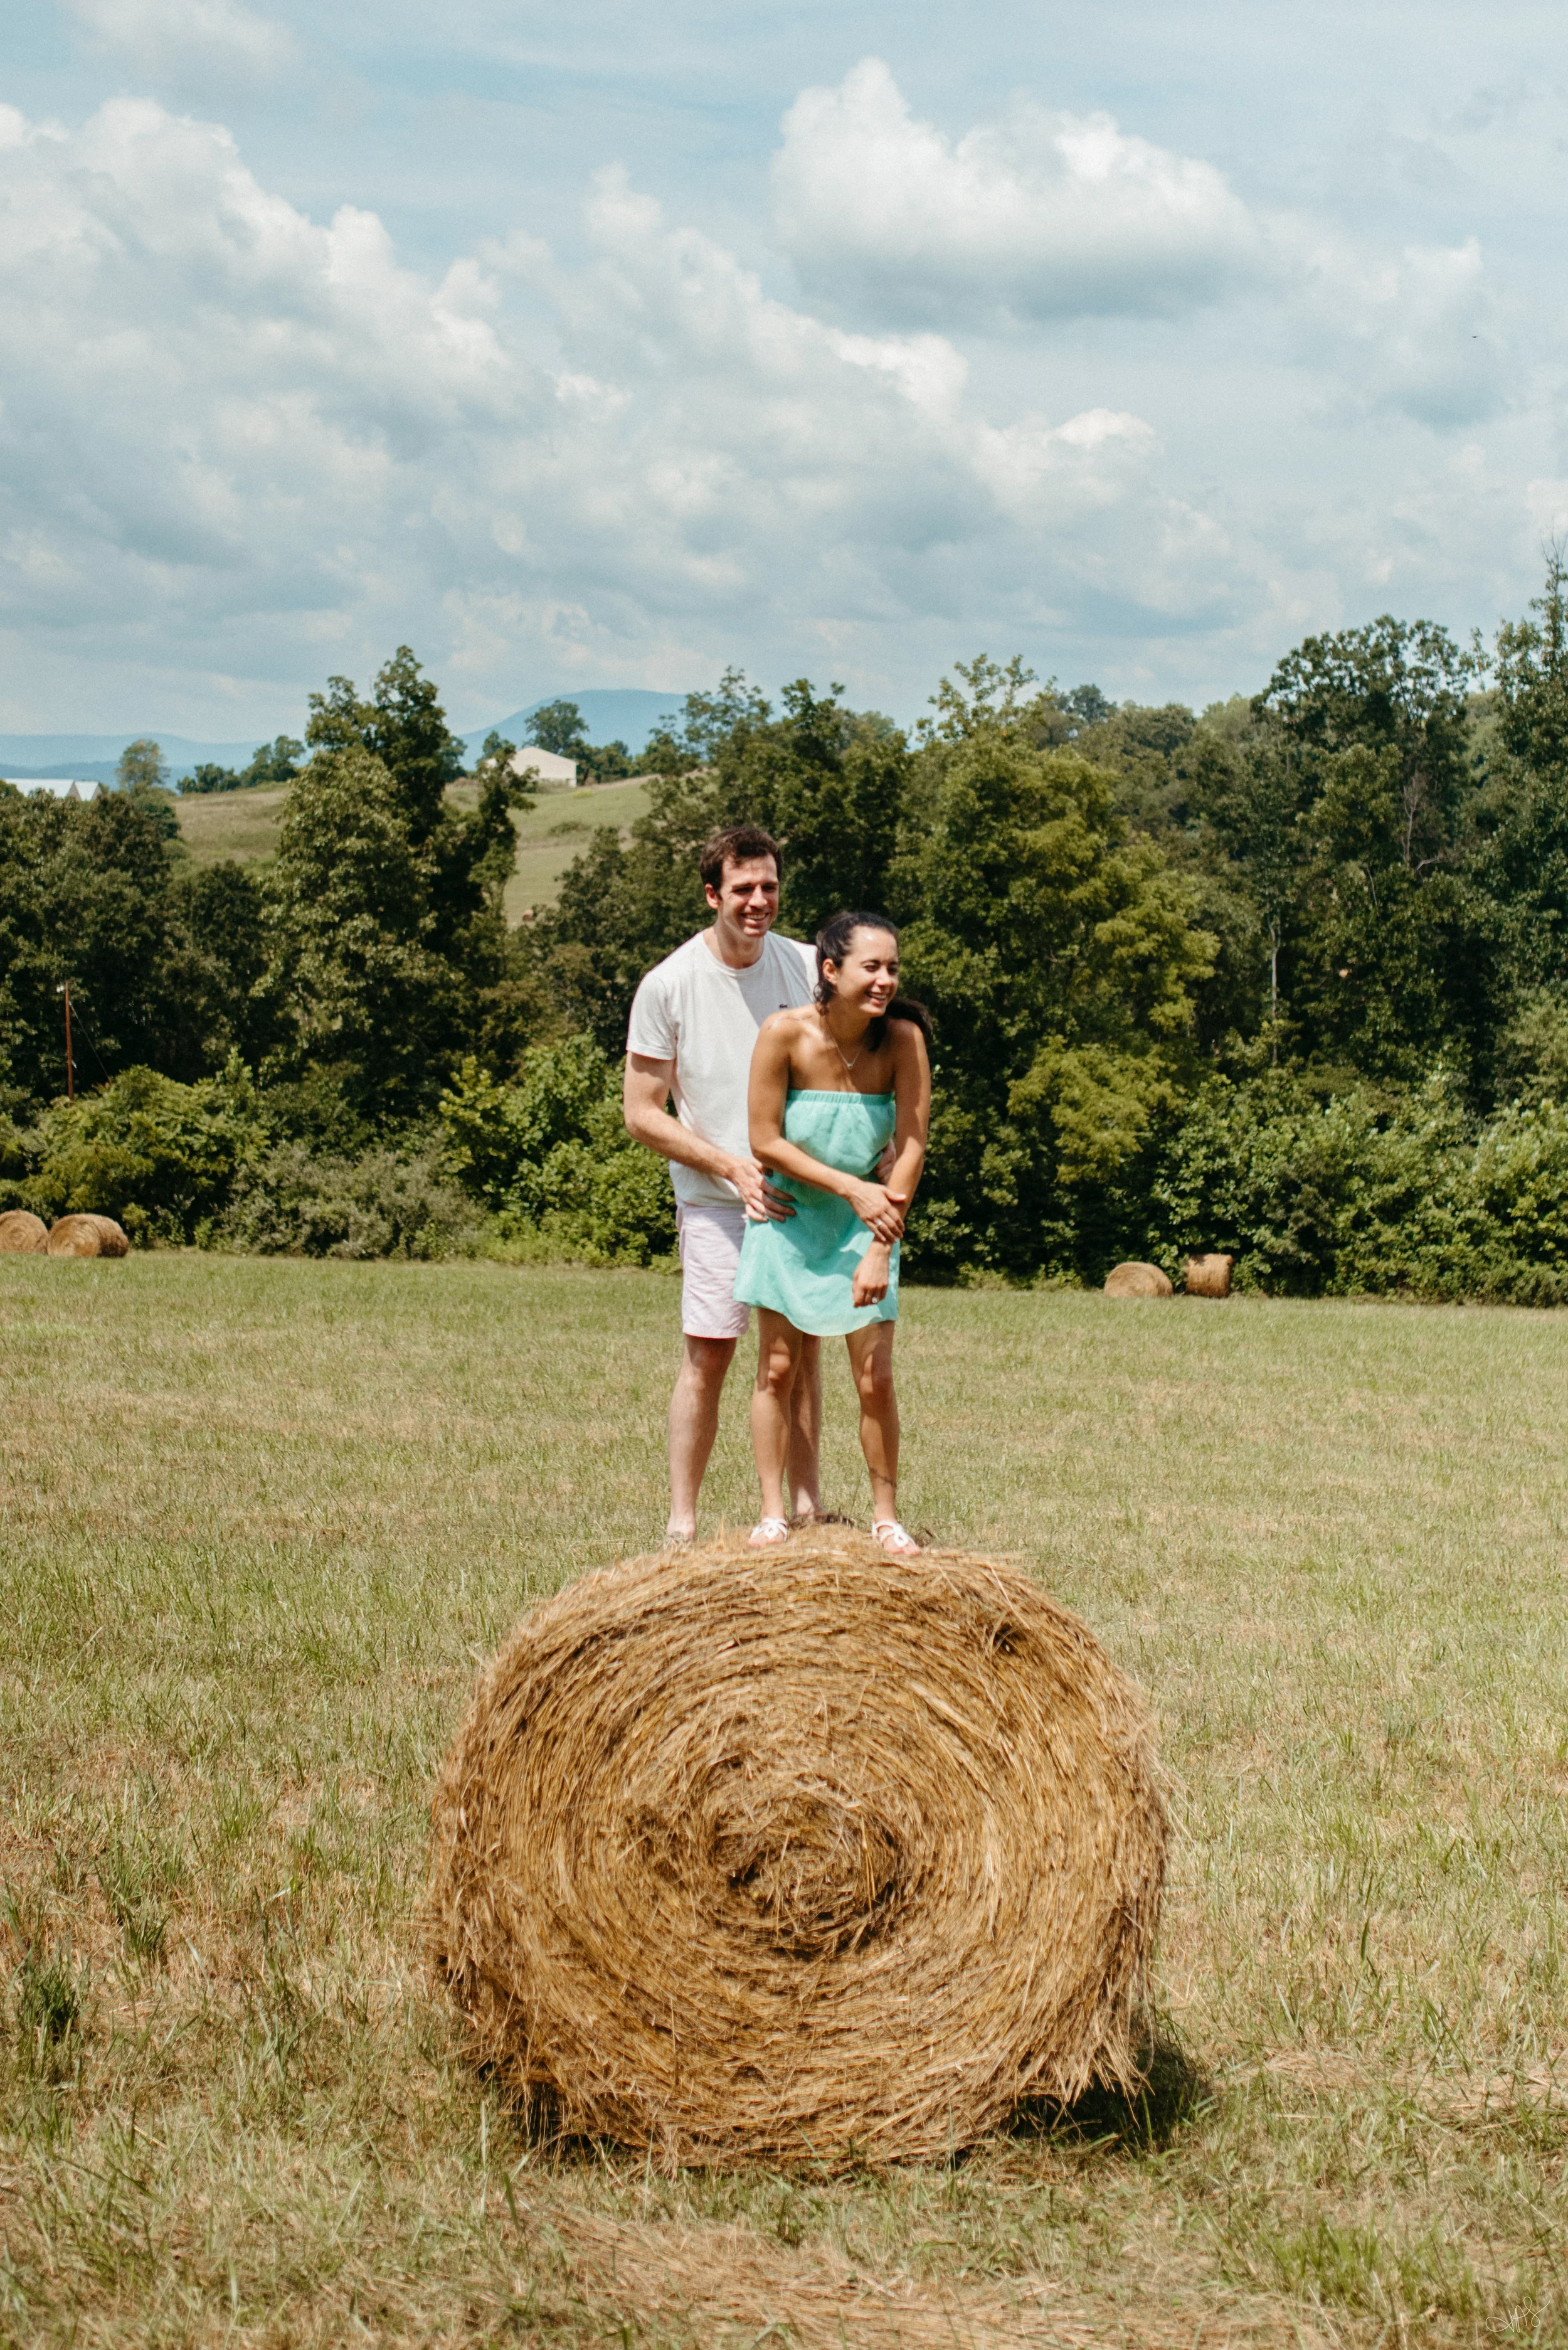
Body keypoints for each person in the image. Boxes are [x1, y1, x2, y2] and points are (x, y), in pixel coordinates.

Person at [622, 826, 824, 1545]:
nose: (758, 901)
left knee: (800, 1352)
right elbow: (641, 1114)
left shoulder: (806, 966)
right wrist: (730, 1166)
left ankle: (808, 1511)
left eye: (768, 886)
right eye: (743, 888)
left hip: (798, 1194)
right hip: (714, 1198)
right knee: (709, 1354)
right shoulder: (669, 984)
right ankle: (682, 1525)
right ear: (713, 894)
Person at [734, 910, 933, 1556]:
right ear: (830, 969)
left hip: (872, 1222)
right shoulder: (782, 1033)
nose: (884, 980)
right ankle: (772, 1513)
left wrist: (881, 1243)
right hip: (789, 1217)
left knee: (874, 1376)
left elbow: (911, 1145)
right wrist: (851, 1186)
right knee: (778, 1367)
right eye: (870, 966)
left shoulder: (902, 1039)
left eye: (892, 968)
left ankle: (884, 1515)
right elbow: (764, 1139)